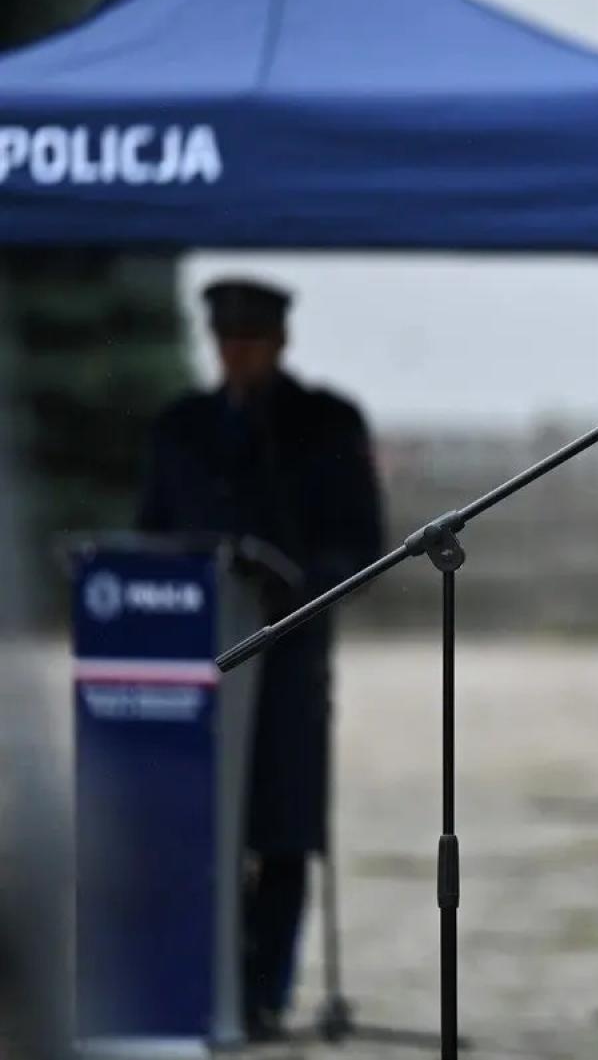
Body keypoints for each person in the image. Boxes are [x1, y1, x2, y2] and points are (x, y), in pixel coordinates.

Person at [137, 278, 383, 1038]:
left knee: (280, 829)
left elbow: (359, 540)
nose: (238, 354)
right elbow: (151, 531)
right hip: (194, 658)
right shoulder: (182, 427)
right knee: (193, 827)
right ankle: (195, 984)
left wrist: (302, 582)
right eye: (227, 340)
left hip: (286, 655)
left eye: (252, 340)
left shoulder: (323, 424)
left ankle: (262, 991)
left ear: (279, 341)